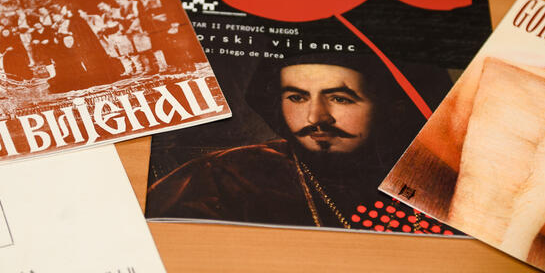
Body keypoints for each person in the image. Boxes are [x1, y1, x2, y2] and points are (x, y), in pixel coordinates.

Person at [146, 51, 422, 228]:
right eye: (297, 97)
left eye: (340, 99)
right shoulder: (223, 177)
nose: (315, 117)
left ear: (392, 109)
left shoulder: (425, 177)